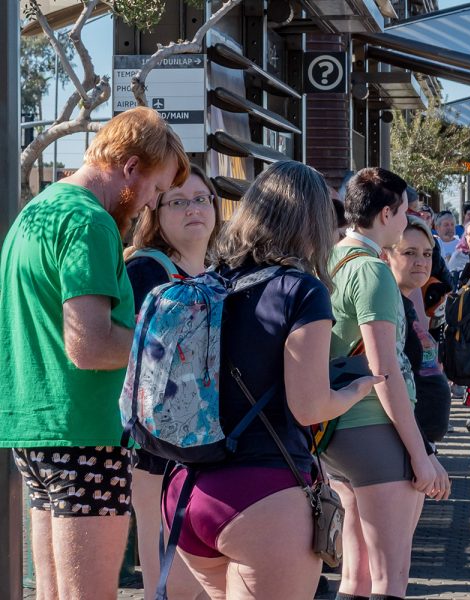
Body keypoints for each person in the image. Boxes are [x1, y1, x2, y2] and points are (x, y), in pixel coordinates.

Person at [159, 161, 383, 599]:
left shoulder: (207, 282)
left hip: (187, 493)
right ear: (315, 221)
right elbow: (309, 406)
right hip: (263, 495)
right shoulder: (301, 290)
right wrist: (354, 390)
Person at [0, 106, 189, 600]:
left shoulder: (37, 212)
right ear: (129, 167)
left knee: (52, 591)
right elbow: (90, 345)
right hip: (85, 429)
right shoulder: (91, 222)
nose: (150, 203)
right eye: (154, 188)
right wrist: (168, 346)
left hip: (36, 423)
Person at [324, 167, 450, 600]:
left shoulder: (331, 258)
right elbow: (385, 369)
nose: (407, 219)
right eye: (403, 212)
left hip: (335, 430)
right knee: (389, 578)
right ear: (386, 213)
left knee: (355, 576)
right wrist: (421, 455)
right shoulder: (373, 272)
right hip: (374, 428)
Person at [125, 164, 221, 600]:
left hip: (215, 446)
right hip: (160, 450)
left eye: (201, 199)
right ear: (156, 213)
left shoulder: (221, 273)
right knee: (171, 579)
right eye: (178, 201)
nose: (193, 209)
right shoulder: (147, 270)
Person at [384, 215, 453, 444]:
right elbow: (387, 379)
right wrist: (420, 454)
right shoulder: (386, 307)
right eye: (409, 253)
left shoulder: (406, 302)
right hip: (402, 440)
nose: (421, 261)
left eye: (426, 254)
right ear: (386, 256)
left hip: (418, 439)